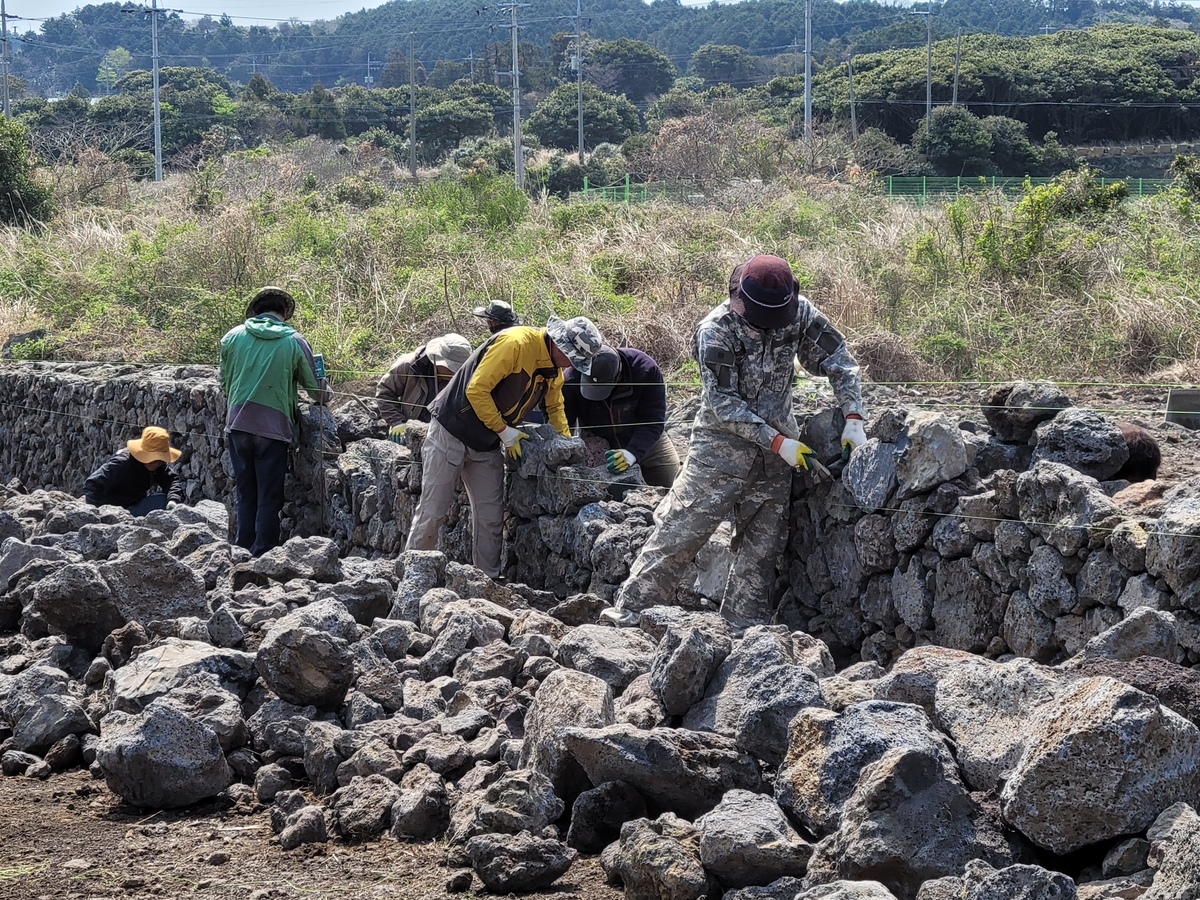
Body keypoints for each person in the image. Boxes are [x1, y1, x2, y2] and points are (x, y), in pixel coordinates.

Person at [601, 254, 867, 631]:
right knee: (680, 532)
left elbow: (839, 358)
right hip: (719, 451)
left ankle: (742, 630)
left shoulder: (801, 313)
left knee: (762, 549)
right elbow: (724, 405)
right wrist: (779, 442)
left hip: (775, 458)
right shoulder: (716, 330)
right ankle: (629, 613)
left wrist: (853, 417)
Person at [405, 315, 603, 578]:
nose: (571, 365)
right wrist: (504, 431)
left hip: (486, 442)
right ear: (558, 344)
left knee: (491, 517)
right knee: (433, 511)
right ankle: (412, 575)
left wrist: (566, 446)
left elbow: (555, 408)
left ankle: (485, 581)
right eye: (572, 358)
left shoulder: (553, 369)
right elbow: (477, 390)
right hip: (451, 429)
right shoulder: (515, 344)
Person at [219, 286, 330, 556]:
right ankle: (263, 553)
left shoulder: (232, 337)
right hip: (273, 429)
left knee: (246, 492)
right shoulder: (294, 341)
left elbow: (224, 382)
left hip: (238, 424)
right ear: (283, 313)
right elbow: (317, 391)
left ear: (256, 311)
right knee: (269, 495)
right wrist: (325, 387)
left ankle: (242, 549)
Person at [563, 343, 681, 488]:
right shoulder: (570, 379)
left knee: (674, 484)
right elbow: (564, 426)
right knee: (602, 493)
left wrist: (632, 453)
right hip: (598, 445)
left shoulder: (645, 369)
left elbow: (653, 421)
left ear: (618, 376)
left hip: (646, 439)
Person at [375, 333, 472, 440]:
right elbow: (385, 393)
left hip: (443, 436)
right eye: (451, 368)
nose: (455, 373)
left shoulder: (467, 376)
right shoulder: (409, 365)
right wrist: (397, 422)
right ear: (437, 359)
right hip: (408, 430)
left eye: (459, 369)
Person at [83, 426, 185, 515]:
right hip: (115, 511)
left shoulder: (159, 465)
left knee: (162, 500)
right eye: (154, 460)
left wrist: (173, 500)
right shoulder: (122, 464)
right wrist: (102, 514)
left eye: (160, 461)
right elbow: (91, 484)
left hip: (135, 503)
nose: (157, 463)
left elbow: (171, 480)